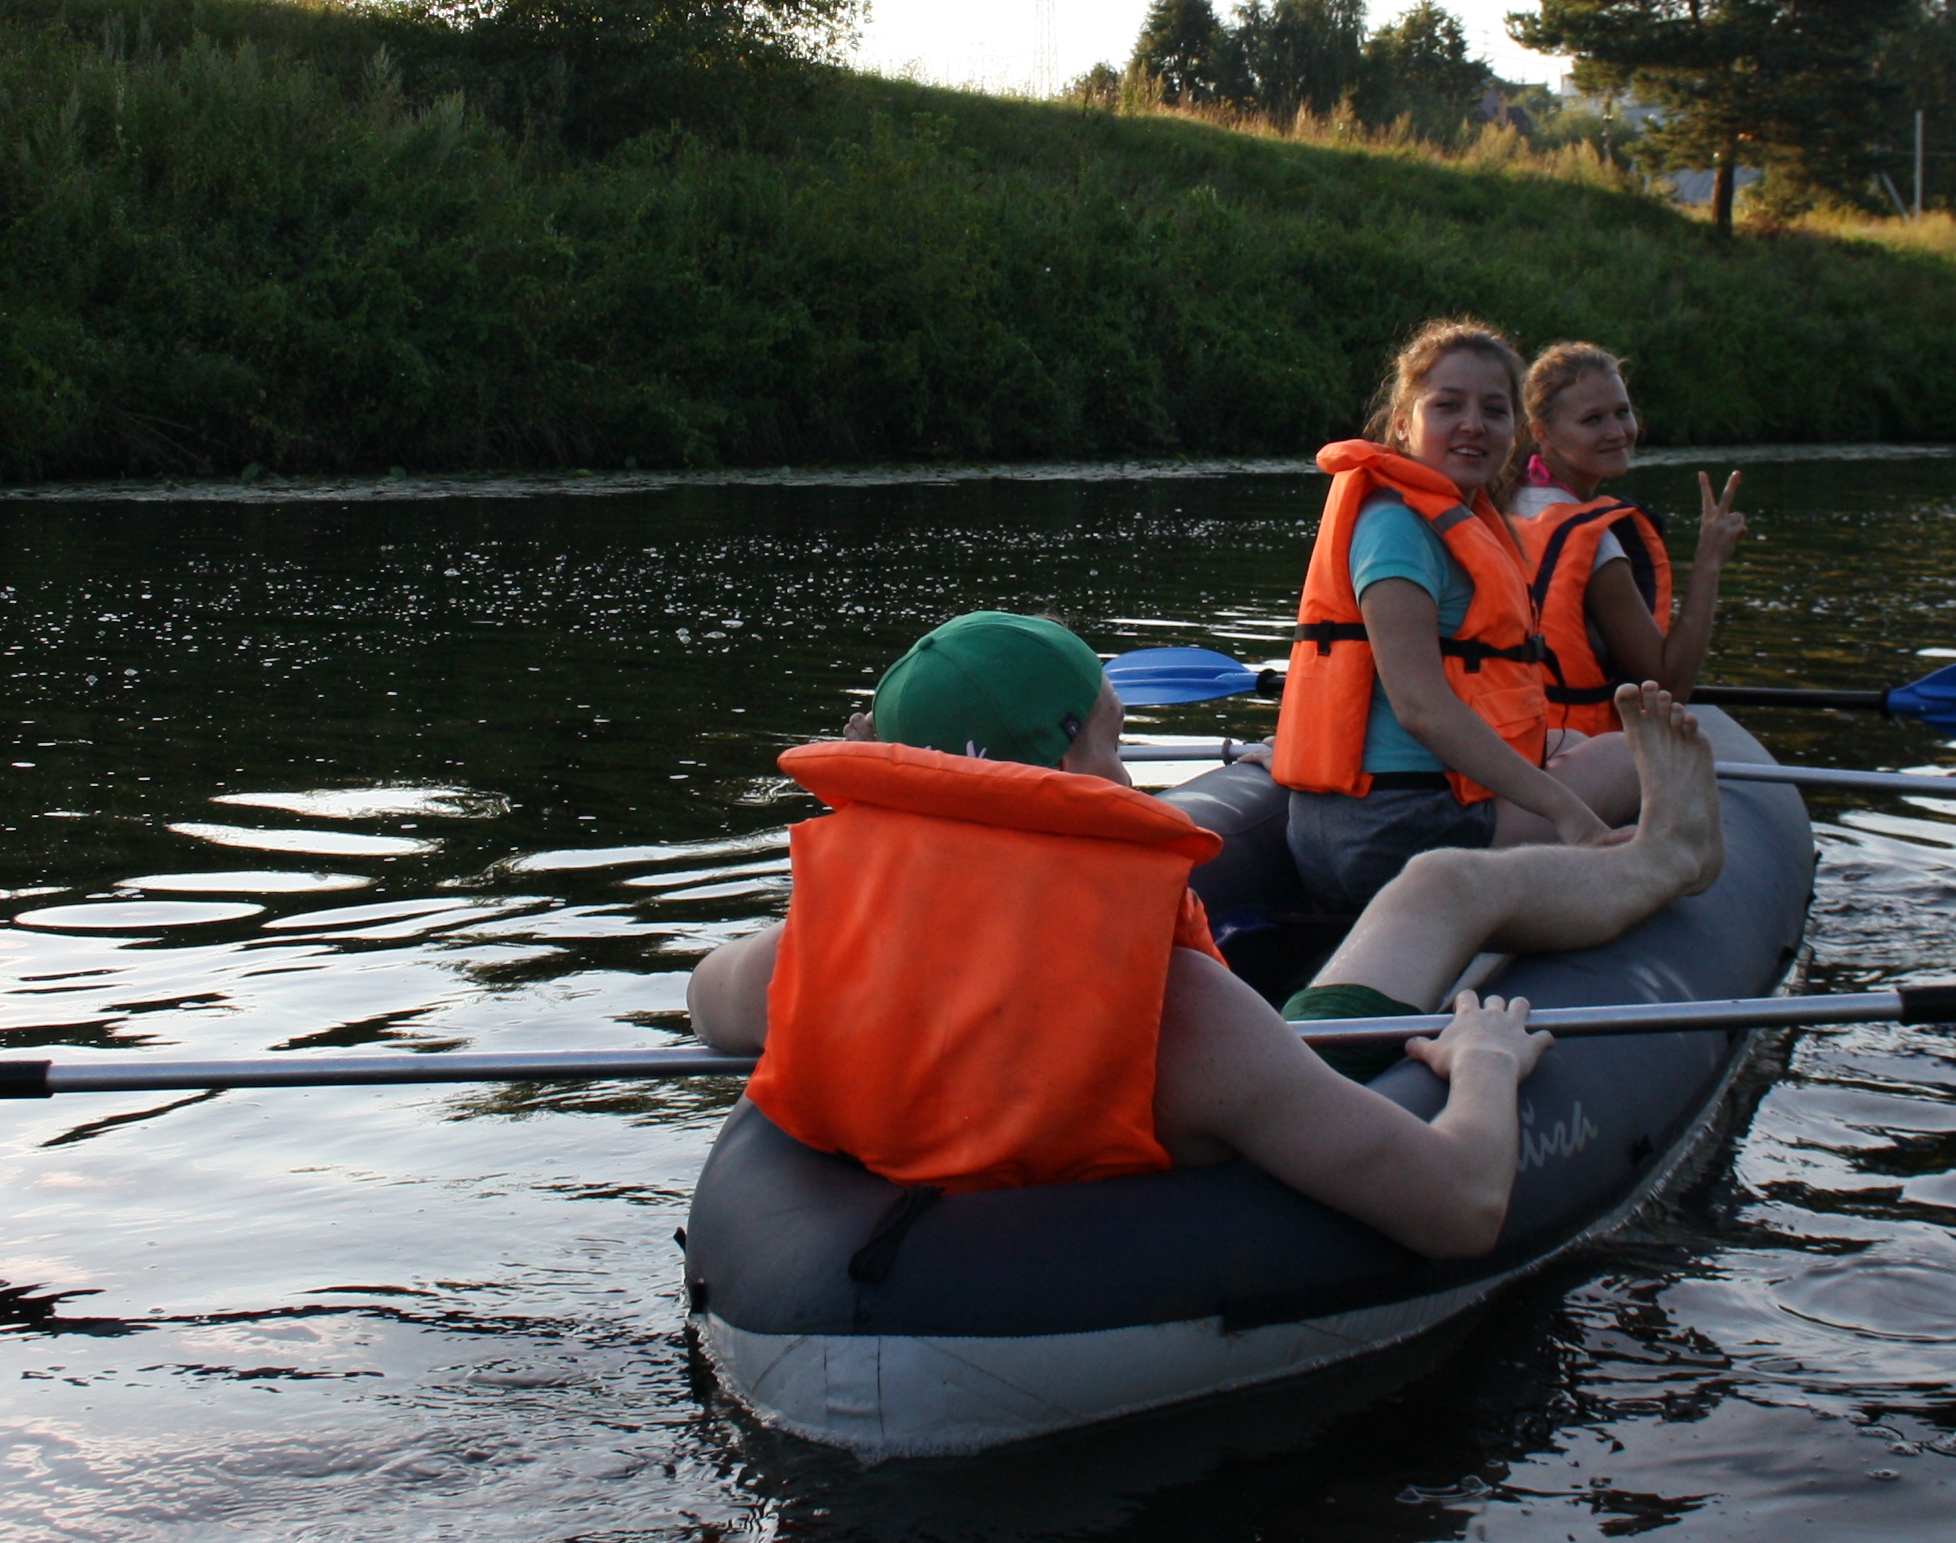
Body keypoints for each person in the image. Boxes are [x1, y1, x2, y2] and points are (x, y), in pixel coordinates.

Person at [687, 611, 1726, 1260]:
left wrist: (880, 853)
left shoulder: (801, 964)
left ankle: (1652, 857)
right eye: (1114, 740)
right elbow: (1460, 1205)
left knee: (1430, 882)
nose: (1129, 774)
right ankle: (1665, 860)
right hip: (1256, 1101)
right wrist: (1486, 1064)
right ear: (1069, 769)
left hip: (911, 1259)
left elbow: (705, 999)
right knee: (1440, 882)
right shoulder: (1184, 1021)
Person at [1267, 318, 1638, 928]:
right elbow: (1420, 706)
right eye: (1447, 406)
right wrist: (1571, 815)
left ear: (1515, 431)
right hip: (1394, 835)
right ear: (1401, 424)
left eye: (1494, 409)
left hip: (1357, 827)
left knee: (1573, 743)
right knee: (1632, 758)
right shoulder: (1398, 529)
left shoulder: (1436, 518)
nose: (1473, 424)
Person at [1514, 341, 1750, 737]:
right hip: (1574, 748)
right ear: (1543, 433)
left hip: (1518, 731)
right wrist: (1709, 561)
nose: (1617, 432)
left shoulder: (1504, 502)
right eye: (1592, 420)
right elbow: (1669, 688)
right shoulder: (1594, 544)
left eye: (1622, 412)